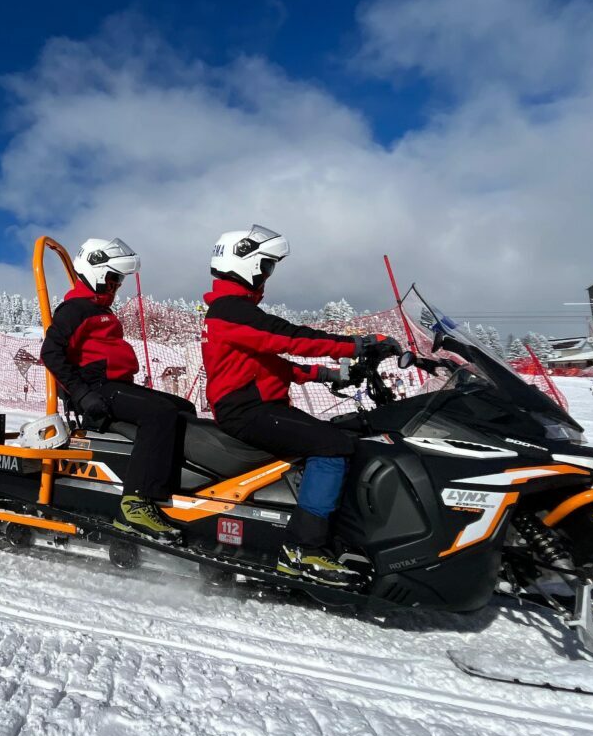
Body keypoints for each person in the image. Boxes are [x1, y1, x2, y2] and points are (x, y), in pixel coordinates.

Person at [201, 225, 400, 586]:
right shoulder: (230, 310)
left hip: (258, 404)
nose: (267, 275)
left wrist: (328, 375)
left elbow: (273, 364)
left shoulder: (233, 310)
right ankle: (302, 548)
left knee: (344, 431)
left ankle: (334, 531)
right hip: (247, 411)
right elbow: (291, 338)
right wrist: (357, 345)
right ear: (245, 263)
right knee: (333, 445)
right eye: (266, 266)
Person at [41, 237, 196, 540]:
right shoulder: (74, 309)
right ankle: (136, 503)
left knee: (184, 409)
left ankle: (173, 486)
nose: (116, 285)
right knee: (160, 413)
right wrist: (82, 394)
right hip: (95, 388)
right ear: (96, 272)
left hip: (114, 385)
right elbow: (51, 352)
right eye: (113, 278)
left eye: (119, 280)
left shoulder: (100, 310)